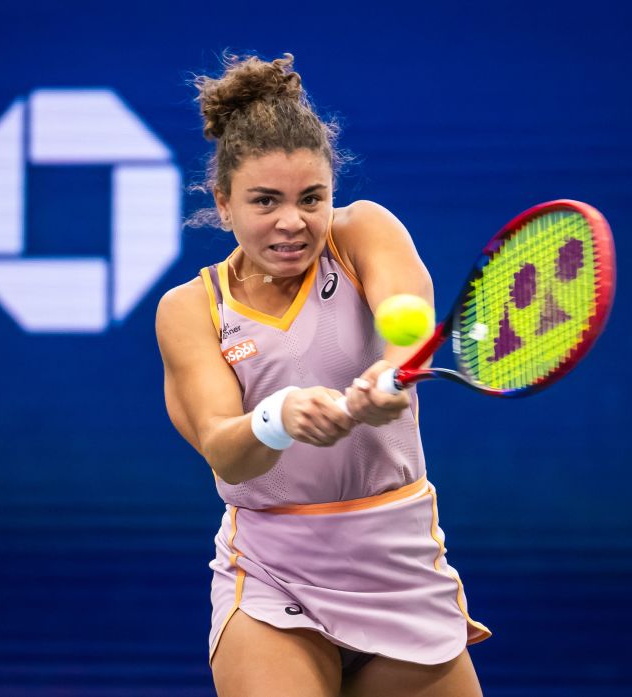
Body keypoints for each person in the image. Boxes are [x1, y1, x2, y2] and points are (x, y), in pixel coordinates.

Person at [156, 53, 491, 697]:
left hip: (399, 564)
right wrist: (277, 417)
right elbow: (227, 452)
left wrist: (392, 374)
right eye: (265, 201)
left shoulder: (362, 231)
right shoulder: (190, 309)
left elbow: (408, 316)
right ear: (223, 203)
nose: (292, 222)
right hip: (274, 572)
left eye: (312, 198)